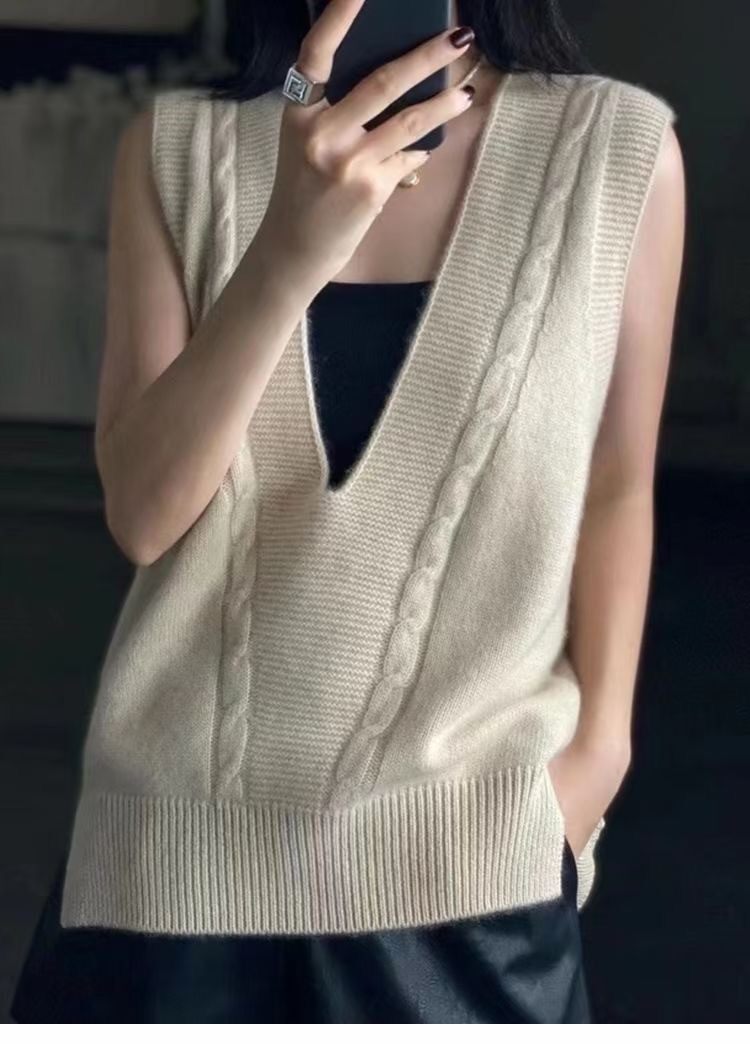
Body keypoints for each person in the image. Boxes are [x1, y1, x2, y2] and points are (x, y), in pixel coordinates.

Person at [10, 0, 685, 1024]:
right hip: (171, 874)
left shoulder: (615, 150)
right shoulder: (177, 149)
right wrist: (287, 250)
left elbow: (617, 482)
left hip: (475, 871)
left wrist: (597, 759)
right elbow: (144, 515)